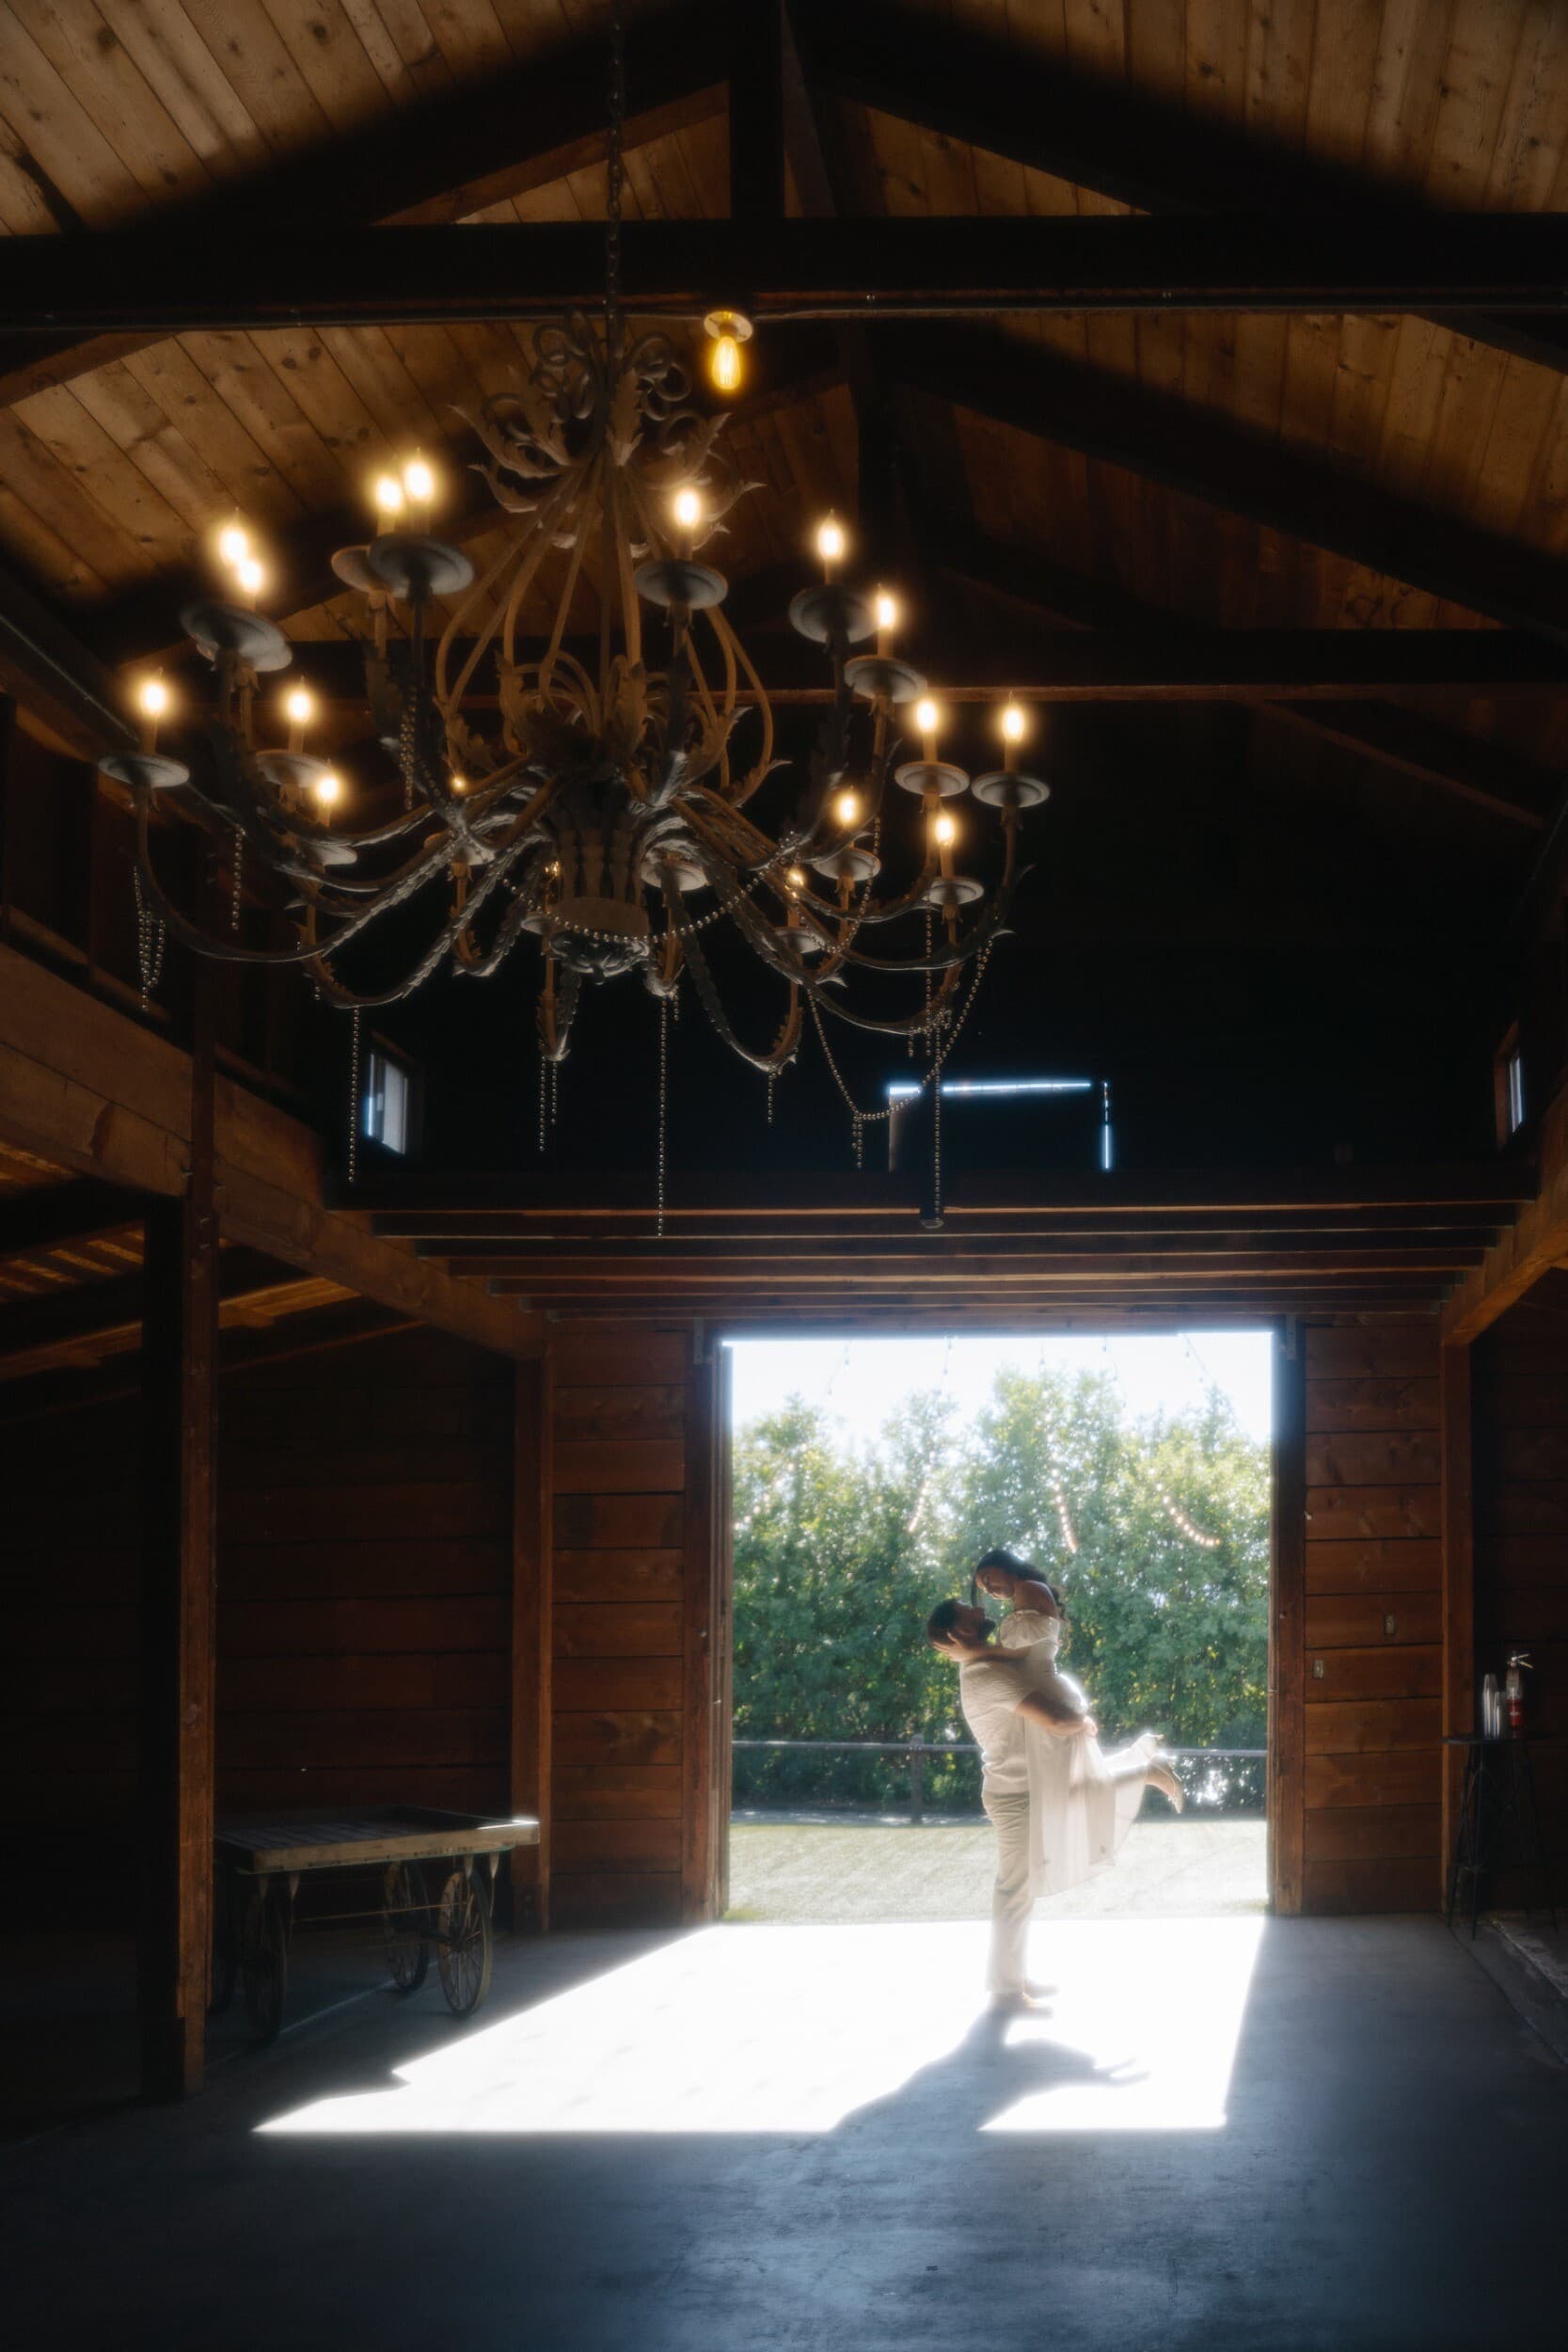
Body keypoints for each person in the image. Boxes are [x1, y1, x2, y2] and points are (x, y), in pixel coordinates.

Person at [973, 1546, 1183, 1899]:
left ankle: (1145, 1771)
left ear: (1006, 1568)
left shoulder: (1027, 1589)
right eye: (984, 1588)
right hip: (1044, 1695)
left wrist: (973, 1652)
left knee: (1063, 1793)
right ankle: (1143, 1768)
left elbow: (1018, 1654)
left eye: (989, 1579)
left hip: (1048, 1695)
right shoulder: (1026, 1594)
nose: (989, 1589)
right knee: (1067, 1790)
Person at [926, 1597, 1091, 2010]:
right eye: (970, 1610)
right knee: (1014, 1890)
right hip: (1014, 1795)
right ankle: (1006, 1990)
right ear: (960, 1632)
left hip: (1024, 1789)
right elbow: (1055, 1719)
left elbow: (1024, 1653)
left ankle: (1013, 1978)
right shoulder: (986, 1674)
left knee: (1021, 1890)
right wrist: (1084, 1721)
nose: (981, 1610)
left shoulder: (989, 1665)